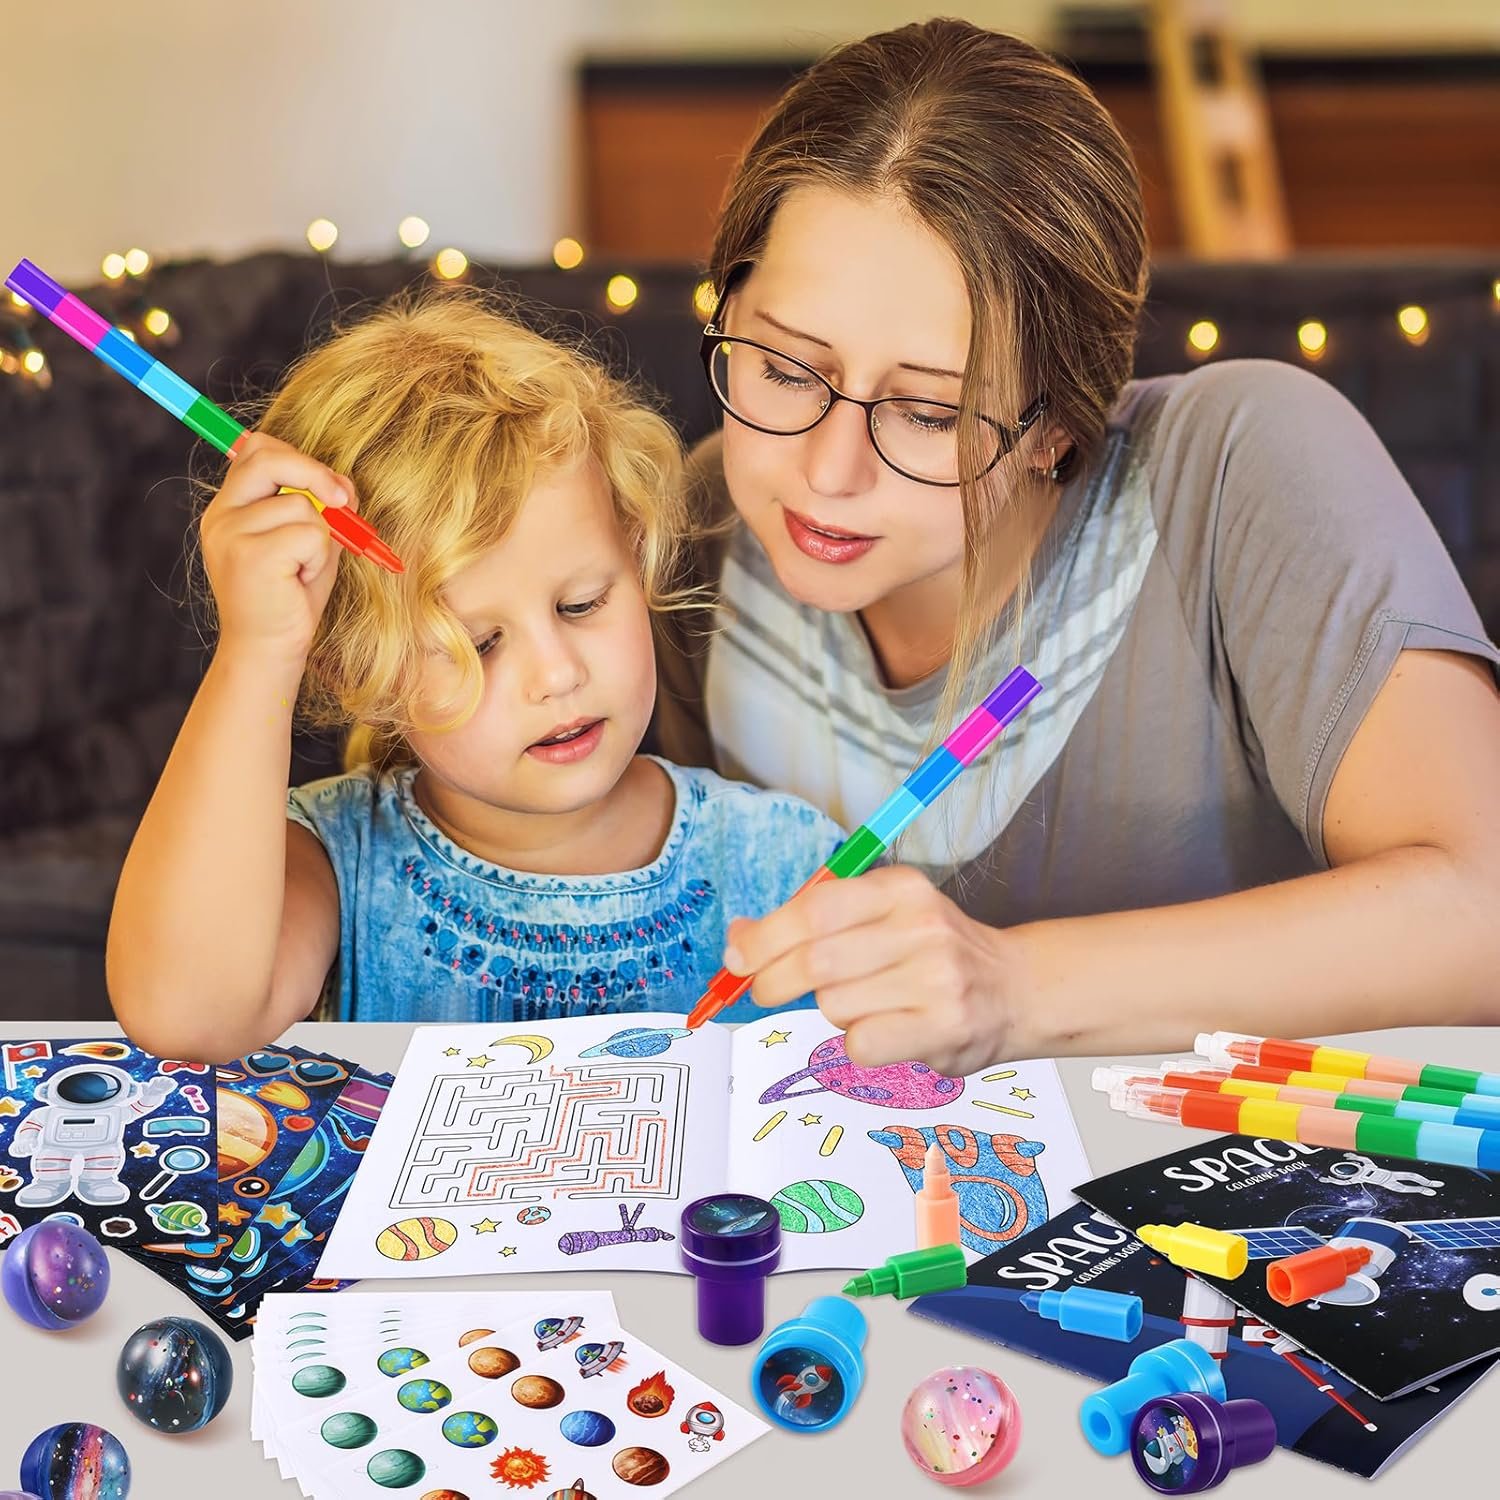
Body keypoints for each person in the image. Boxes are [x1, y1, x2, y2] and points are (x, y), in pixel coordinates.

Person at [651, 19, 1500, 1075]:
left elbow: (1483, 912)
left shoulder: (1235, 466)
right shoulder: (697, 536)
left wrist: (1013, 989)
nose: (826, 473)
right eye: (783, 368)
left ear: (1056, 424)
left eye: (927, 412)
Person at [107, 293, 844, 1062]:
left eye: (582, 602)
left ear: (637, 550)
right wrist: (259, 649)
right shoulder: (332, 866)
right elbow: (187, 1018)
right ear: (355, 665)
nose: (558, 674)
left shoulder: (788, 858)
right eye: (479, 643)